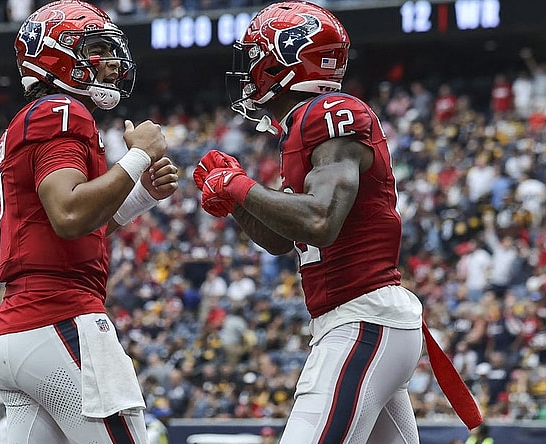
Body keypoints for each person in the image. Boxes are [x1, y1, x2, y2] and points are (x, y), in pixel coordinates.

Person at [194, 2, 480, 442]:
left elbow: (320, 220)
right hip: (362, 321)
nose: (249, 70)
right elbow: (279, 239)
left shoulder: (328, 114)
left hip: (361, 319)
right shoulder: (304, 125)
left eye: (255, 57)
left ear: (284, 60)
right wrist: (236, 202)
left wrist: (238, 186)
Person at [0, 1, 179, 443]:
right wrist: (139, 155)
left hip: (20, 324)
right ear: (58, 56)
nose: (110, 63)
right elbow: (70, 214)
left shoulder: (36, 118)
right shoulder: (61, 111)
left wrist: (141, 194)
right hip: (58, 317)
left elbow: (70, 227)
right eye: (95, 49)